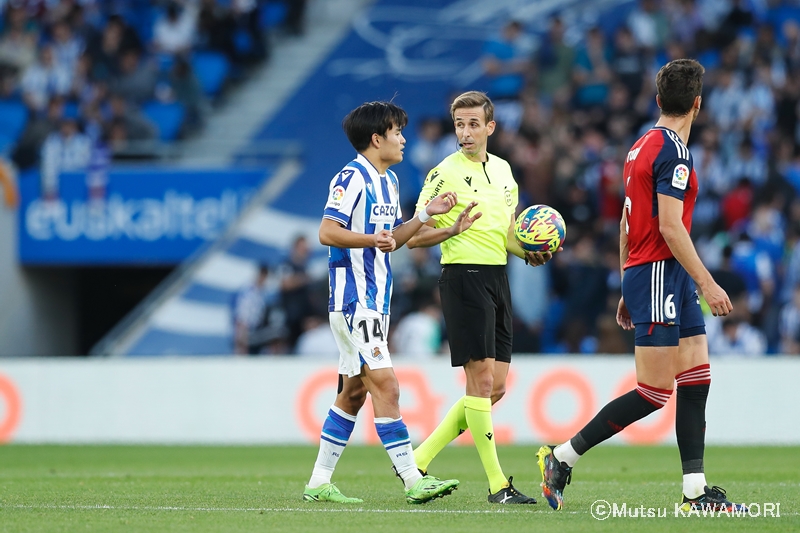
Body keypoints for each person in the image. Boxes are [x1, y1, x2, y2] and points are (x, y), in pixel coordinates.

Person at [537, 59, 748, 514]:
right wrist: (707, 284)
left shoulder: (639, 146)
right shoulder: (673, 150)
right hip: (658, 270)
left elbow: (625, 221)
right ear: (698, 103)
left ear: (657, 100)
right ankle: (561, 456)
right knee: (655, 391)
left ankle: (696, 491)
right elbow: (671, 227)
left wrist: (623, 281)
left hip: (653, 271)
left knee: (697, 376)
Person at [303, 100, 477, 504]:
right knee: (388, 385)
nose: (403, 139)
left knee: (353, 393)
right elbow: (327, 232)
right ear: (375, 138)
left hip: (375, 302)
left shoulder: (390, 182)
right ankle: (412, 478)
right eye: (397, 132)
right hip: (353, 301)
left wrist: (438, 223)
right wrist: (369, 240)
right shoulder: (351, 177)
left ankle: (318, 482)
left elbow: (398, 240)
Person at [406, 91, 555, 504]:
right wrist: (451, 231)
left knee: (496, 387)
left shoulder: (506, 171)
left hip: (497, 278)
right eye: (459, 125)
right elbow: (414, 237)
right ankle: (497, 486)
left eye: (473, 124)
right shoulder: (443, 173)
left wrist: (530, 253)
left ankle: (417, 459)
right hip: (462, 277)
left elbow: (508, 233)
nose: (465, 132)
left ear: (490, 127)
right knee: (482, 380)